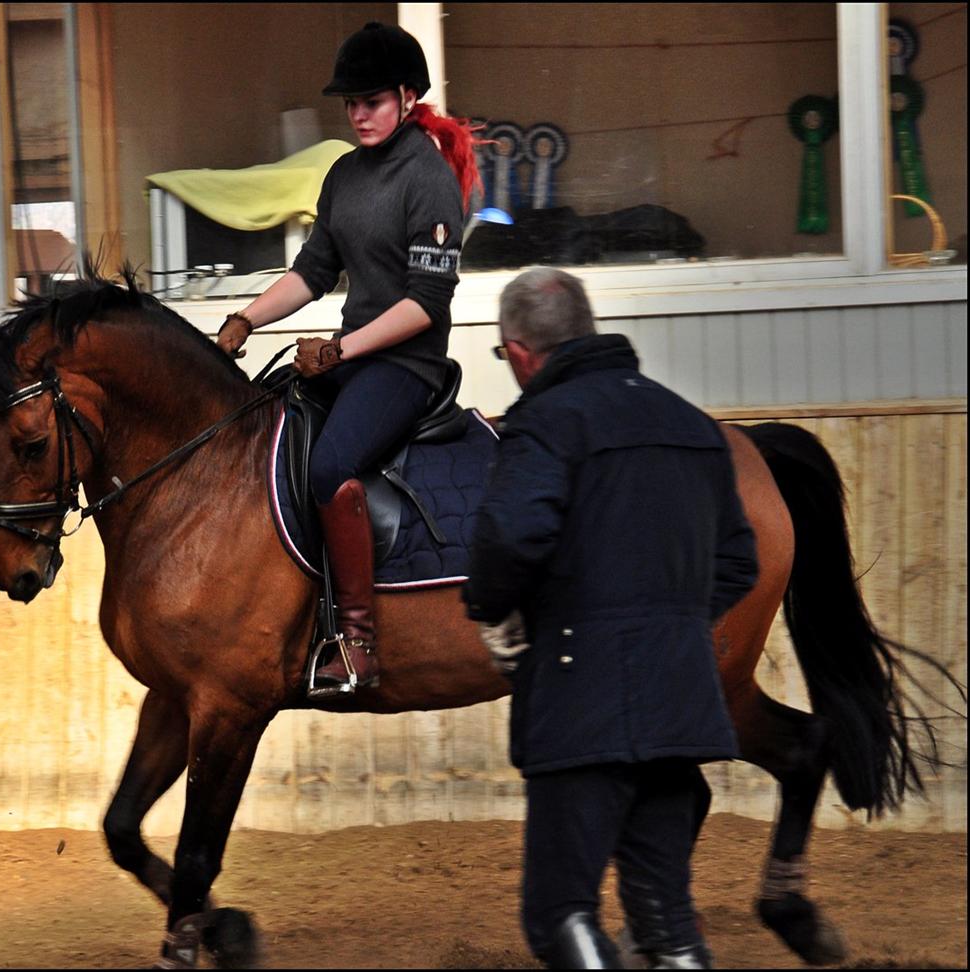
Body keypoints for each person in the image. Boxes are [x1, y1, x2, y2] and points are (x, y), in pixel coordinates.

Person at [462, 268, 759, 969]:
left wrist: (495, 611)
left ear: (521, 352)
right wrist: (675, 623)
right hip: (680, 702)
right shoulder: (691, 424)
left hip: (582, 701)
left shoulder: (545, 420)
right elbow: (738, 561)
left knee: (560, 913)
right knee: (666, 921)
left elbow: (510, 537)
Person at [217, 22, 483, 694]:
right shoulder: (344, 175)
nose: (360, 114)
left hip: (407, 366)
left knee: (333, 464)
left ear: (405, 96)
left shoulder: (429, 180)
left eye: (372, 101)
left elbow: (427, 302)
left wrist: (340, 348)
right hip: (354, 358)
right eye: (352, 104)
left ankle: (358, 639)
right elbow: (311, 272)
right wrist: (244, 318)